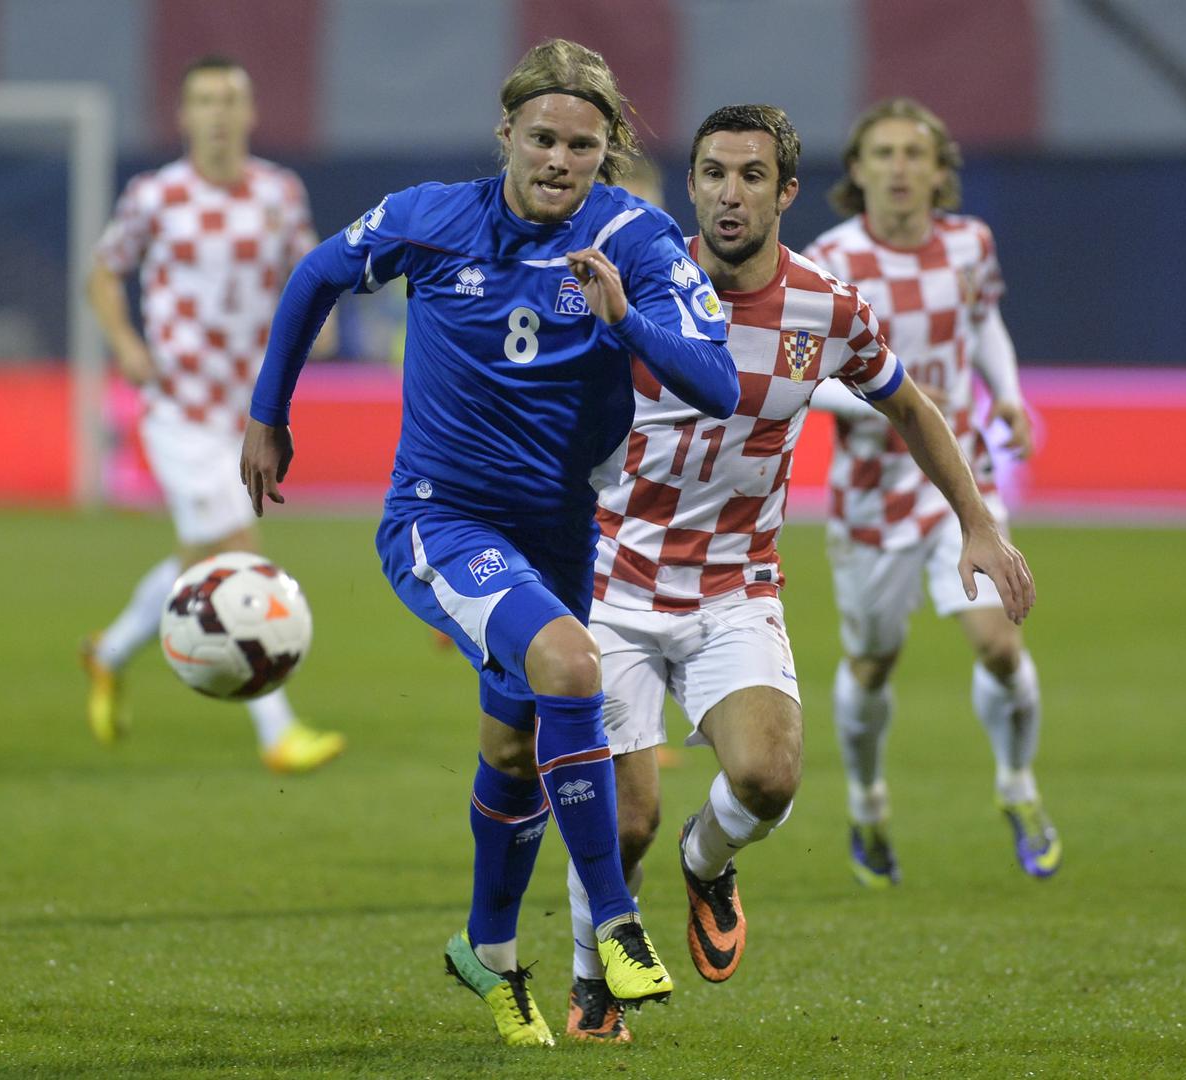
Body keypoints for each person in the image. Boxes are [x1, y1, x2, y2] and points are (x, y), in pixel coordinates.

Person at [241, 39, 740, 1048]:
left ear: (606, 151)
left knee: (513, 748)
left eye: (582, 146)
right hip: (440, 519)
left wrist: (625, 320)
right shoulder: (431, 218)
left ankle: (489, 950)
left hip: (560, 534)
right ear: (506, 132)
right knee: (571, 666)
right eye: (542, 138)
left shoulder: (635, 239)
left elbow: (718, 385)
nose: (559, 160)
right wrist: (267, 414)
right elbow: (315, 275)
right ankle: (616, 921)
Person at [559, 104, 1036, 1043]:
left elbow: (911, 407)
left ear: (784, 193)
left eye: (750, 175)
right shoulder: (632, 287)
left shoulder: (827, 308)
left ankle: (707, 860)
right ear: (690, 185)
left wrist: (977, 521)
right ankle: (589, 984)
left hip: (734, 587)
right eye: (711, 173)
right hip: (611, 586)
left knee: (768, 778)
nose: (728, 194)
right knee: (623, 826)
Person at [802, 98, 1060, 886]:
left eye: (915, 153)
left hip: (959, 486)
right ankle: (866, 804)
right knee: (871, 664)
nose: (899, 167)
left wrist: (1005, 393)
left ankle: (1017, 786)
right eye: (882, 153)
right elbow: (801, 378)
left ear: (940, 170)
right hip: (871, 492)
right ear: (856, 169)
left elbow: (982, 323)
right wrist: (894, 403)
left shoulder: (968, 243)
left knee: (1000, 644)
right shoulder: (825, 261)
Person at [80, 55, 346, 774]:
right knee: (237, 553)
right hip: (179, 408)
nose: (218, 112)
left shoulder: (279, 192)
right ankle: (276, 731)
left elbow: (310, 273)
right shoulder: (155, 194)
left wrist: (319, 324)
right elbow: (103, 272)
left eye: (230, 98)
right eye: (204, 99)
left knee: (198, 558)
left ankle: (107, 653)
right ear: (183, 115)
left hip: (248, 412)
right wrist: (126, 343)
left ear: (251, 112)